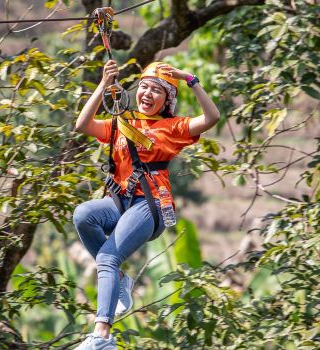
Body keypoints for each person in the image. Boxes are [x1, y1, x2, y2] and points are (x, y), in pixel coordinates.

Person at [71, 59, 220, 350]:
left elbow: (211, 117)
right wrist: (104, 84)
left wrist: (191, 80)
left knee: (107, 257)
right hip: (120, 200)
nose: (148, 94)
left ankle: (102, 336)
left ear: (167, 100)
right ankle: (119, 279)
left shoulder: (173, 127)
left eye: (156, 90)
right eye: (144, 87)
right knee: (83, 215)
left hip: (149, 205)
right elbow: (82, 125)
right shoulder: (121, 123)